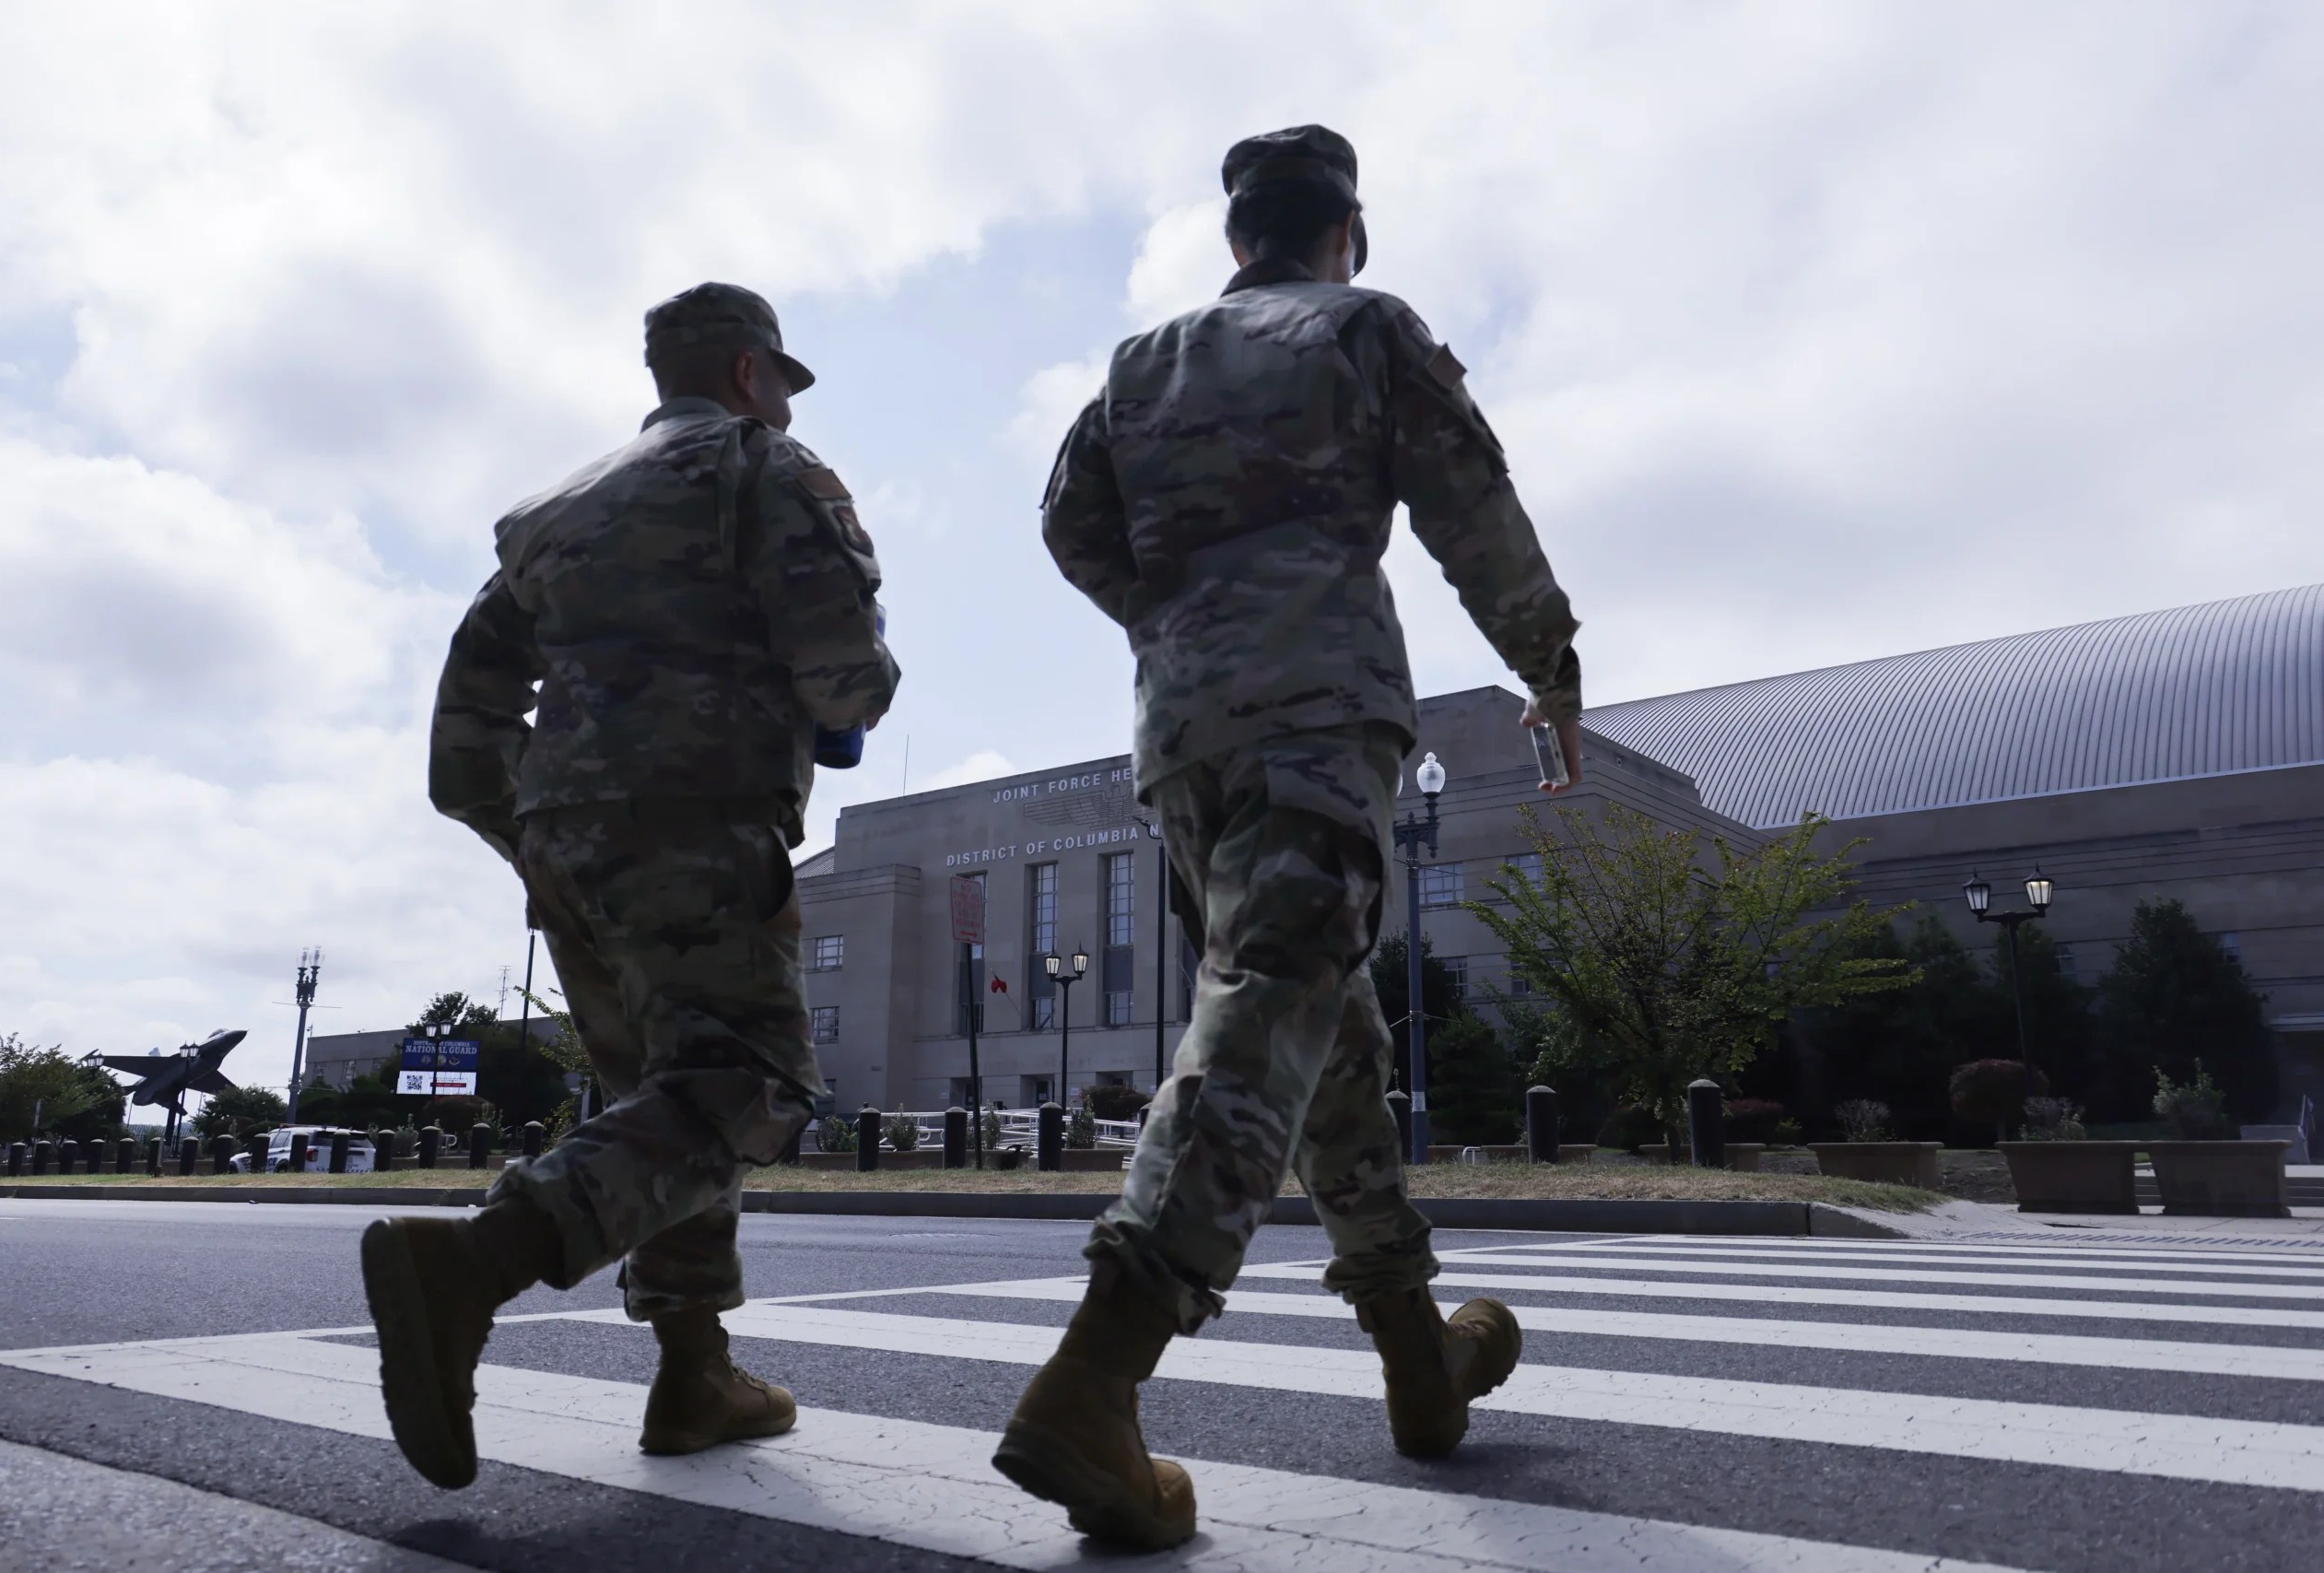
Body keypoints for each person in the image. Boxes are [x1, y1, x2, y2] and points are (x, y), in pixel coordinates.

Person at [994, 125, 1583, 1549]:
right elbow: (1469, 503)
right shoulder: (1366, 330)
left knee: (1327, 1042)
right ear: (1349, 231)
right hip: (1321, 718)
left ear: (1235, 236)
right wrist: (1548, 662)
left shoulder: (1144, 364)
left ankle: (1420, 1369)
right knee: (1272, 1013)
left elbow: (1072, 522)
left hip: (1184, 741)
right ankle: (1098, 1375)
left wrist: (1172, 619)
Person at [365, 282, 899, 1490]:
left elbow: (465, 732)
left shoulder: (551, 514)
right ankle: (476, 1262)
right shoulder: (769, 470)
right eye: (781, 382)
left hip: (563, 833)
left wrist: (534, 834)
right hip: (703, 815)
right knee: (750, 1082)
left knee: (663, 1098)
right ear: (754, 374)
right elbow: (844, 677)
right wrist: (851, 699)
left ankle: (695, 1370)